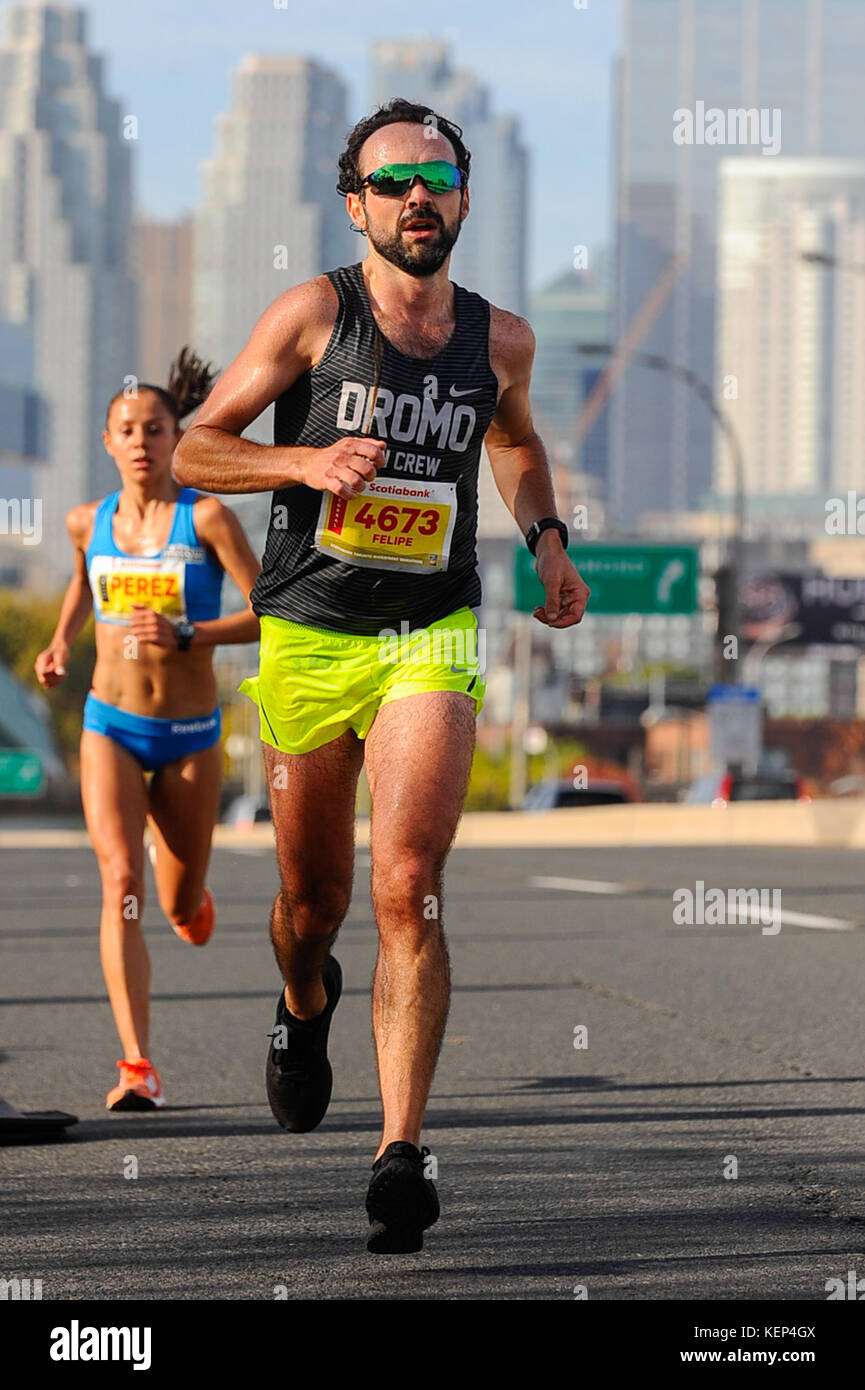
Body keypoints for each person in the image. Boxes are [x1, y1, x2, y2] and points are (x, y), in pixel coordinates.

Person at [173, 98, 590, 1251]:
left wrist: (549, 539)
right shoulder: (315, 313)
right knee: (314, 908)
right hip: (309, 630)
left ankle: (400, 1151)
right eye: (394, 180)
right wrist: (304, 458)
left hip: (430, 625)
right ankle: (304, 1001)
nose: (419, 197)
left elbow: (511, 438)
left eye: (438, 178)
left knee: (408, 886)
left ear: (461, 196)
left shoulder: (501, 338)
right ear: (356, 203)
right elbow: (196, 447)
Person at [34, 348, 261, 1111]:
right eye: (126, 429)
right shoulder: (84, 522)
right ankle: (137, 1064)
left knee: (175, 901)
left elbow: (270, 611)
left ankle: (190, 891)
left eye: (155, 428)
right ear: (107, 442)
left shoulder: (207, 517)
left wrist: (190, 634)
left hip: (191, 731)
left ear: (176, 436)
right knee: (120, 881)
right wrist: (64, 640)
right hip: (111, 725)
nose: (141, 441)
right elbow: (78, 578)